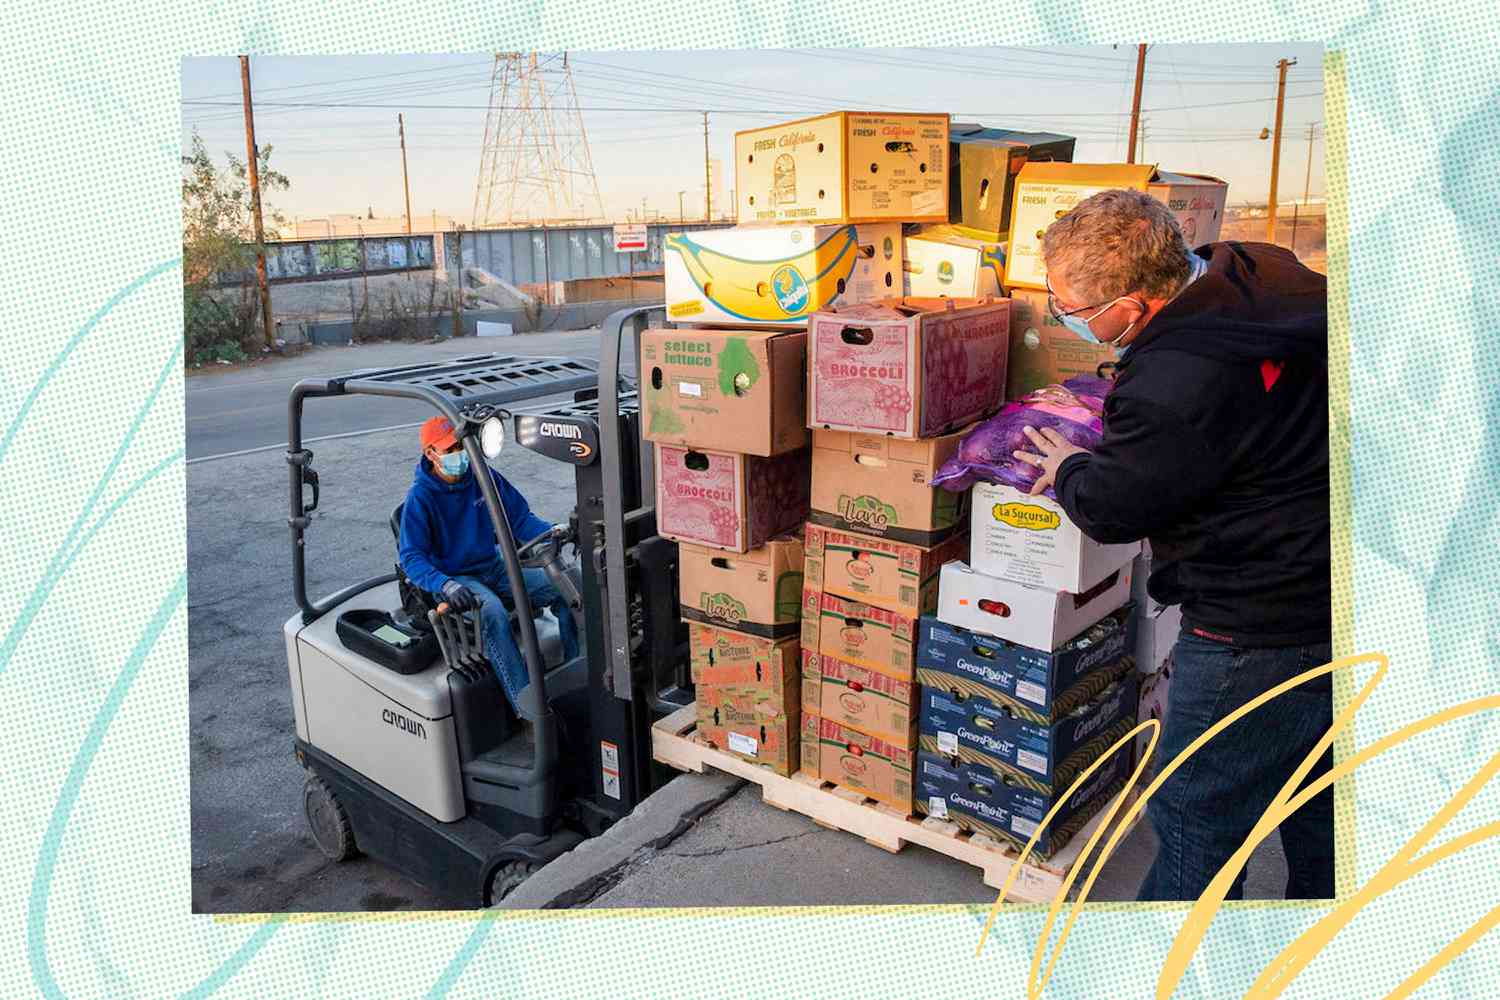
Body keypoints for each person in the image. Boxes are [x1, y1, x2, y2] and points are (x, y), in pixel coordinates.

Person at [1013, 189, 1331, 902]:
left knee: (1196, 817)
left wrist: (1069, 464)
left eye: (1073, 309)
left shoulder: (1174, 380)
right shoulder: (1260, 271)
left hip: (1259, 618)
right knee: (1319, 797)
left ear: (1130, 305)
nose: (1066, 317)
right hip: (1333, 572)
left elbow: (1113, 507)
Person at [398, 416, 579, 717]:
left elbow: (520, 519)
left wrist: (555, 531)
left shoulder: (483, 477)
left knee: (567, 586)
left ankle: (578, 674)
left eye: (461, 446)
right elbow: (412, 557)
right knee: (492, 611)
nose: (459, 454)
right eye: (450, 449)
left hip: (493, 564)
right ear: (431, 454)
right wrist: (445, 585)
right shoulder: (421, 497)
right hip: (456, 579)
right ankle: (528, 708)